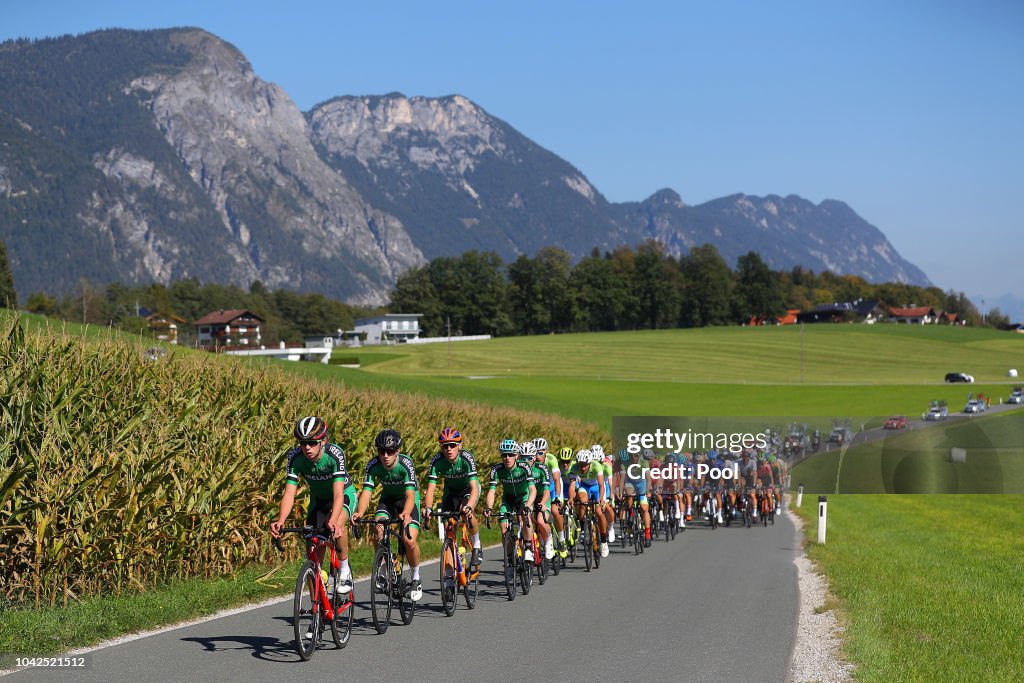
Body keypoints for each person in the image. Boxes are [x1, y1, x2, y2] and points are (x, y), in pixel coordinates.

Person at [270, 416, 357, 597]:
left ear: (323, 440)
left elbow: (339, 494)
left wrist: (333, 520)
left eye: (312, 442)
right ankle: (318, 605)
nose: (307, 448)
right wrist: (281, 520)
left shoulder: (335, 454)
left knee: (338, 523)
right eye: (303, 443)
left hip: (343, 495)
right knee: (312, 551)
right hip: (319, 500)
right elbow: (289, 493)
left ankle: (344, 570)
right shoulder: (295, 457)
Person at [351, 429, 424, 601]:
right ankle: (384, 570)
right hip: (388, 500)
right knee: (379, 529)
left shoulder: (406, 464)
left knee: (409, 540)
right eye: (381, 451)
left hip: (408, 500)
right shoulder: (373, 465)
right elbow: (367, 493)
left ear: (397, 450)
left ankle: (416, 577)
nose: (385, 455)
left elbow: (410, 495)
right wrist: (359, 512)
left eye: (390, 452)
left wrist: (406, 513)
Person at [422, 427, 483, 566]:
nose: (448, 449)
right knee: (449, 528)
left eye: (452, 445)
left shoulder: (467, 458)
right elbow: (431, 489)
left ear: (459, 445)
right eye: (445, 446)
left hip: (468, 489)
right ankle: (449, 576)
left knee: (465, 511)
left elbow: (474, 487)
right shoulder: (437, 461)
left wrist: (470, 505)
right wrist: (429, 508)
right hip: (451, 492)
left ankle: (477, 545)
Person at [484, 439, 537, 564]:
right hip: (508, 499)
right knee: (503, 528)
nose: (507, 458)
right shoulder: (496, 470)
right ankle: (509, 557)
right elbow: (492, 491)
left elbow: (532, 489)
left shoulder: (524, 467)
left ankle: (528, 547)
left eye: (511, 454)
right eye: (504, 455)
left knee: (526, 515)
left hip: (523, 497)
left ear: (517, 455)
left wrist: (529, 505)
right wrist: (489, 507)